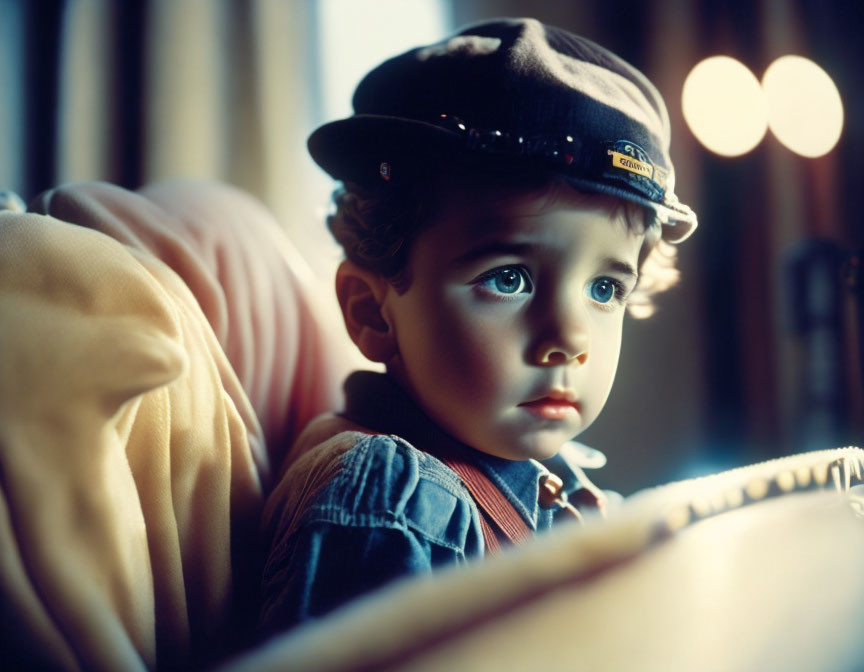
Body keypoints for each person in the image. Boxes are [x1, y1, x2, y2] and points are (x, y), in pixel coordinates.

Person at [259, 17, 697, 634]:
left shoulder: (555, 482)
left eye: (605, 289)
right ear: (369, 310)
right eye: (508, 279)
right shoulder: (397, 501)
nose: (567, 341)